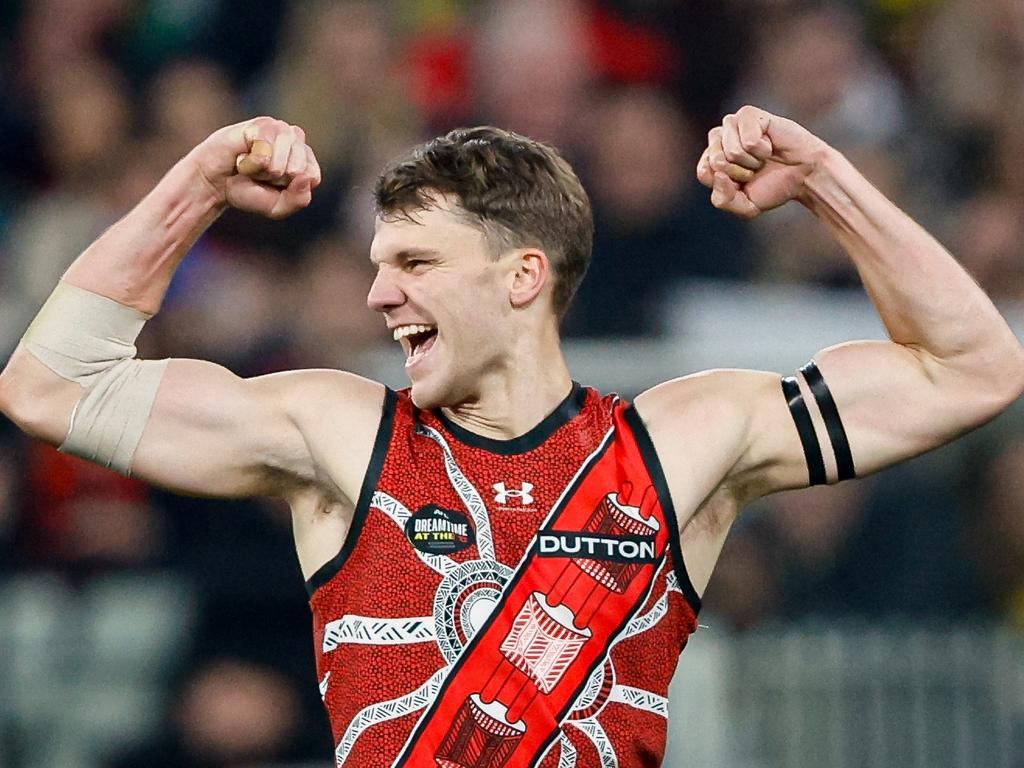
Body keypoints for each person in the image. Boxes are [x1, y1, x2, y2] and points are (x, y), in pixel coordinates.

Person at [1, 106, 1021, 767]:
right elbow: (50, 386)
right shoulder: (339, 434)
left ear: (521, 276)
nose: (375, 292)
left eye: (412, 260)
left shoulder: (683, 441)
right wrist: (198, 184)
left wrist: (823, 178)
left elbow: (974, 368)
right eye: (374, 258)